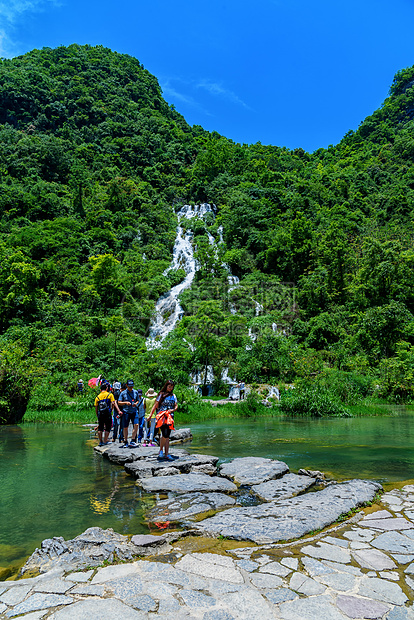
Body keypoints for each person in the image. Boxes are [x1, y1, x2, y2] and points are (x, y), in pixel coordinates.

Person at [148, 380, 178, 461]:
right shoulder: (161, 395)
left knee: (167, 436)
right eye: (169, 386)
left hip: (170, 417)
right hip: (162, 417)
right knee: (164, 434)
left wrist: (172, 410)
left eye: (172, 387)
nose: (170, 388)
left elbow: (176, 406)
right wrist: (150, 415)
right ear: (166, 386)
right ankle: (161, 450)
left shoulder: (173, 396)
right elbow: (155, 405)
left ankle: (166, 453)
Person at [94, 382, 120, 447]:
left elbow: (96, 407)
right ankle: (105, 441)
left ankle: (100, 442)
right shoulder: (110, 395)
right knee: (108, 427)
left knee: (100, 427)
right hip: (107, 413)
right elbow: (113, 403)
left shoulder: (97, 397)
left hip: (100, 414)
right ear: (106, 388)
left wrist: (97, 415)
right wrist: (111, 410)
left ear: (100, 390)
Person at [118, 379, 142, 448]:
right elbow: (119, 402)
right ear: (126, 385)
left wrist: (135, 403)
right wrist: (125, 403)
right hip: (126, 411)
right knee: (125, 427)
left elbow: (138, 400)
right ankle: (125, 441)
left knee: (136, 424)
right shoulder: (123, 393)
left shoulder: (135, 392)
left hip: (134, 411)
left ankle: (133, 440)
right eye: (129, 386)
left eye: (132, 386)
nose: (131, 387)